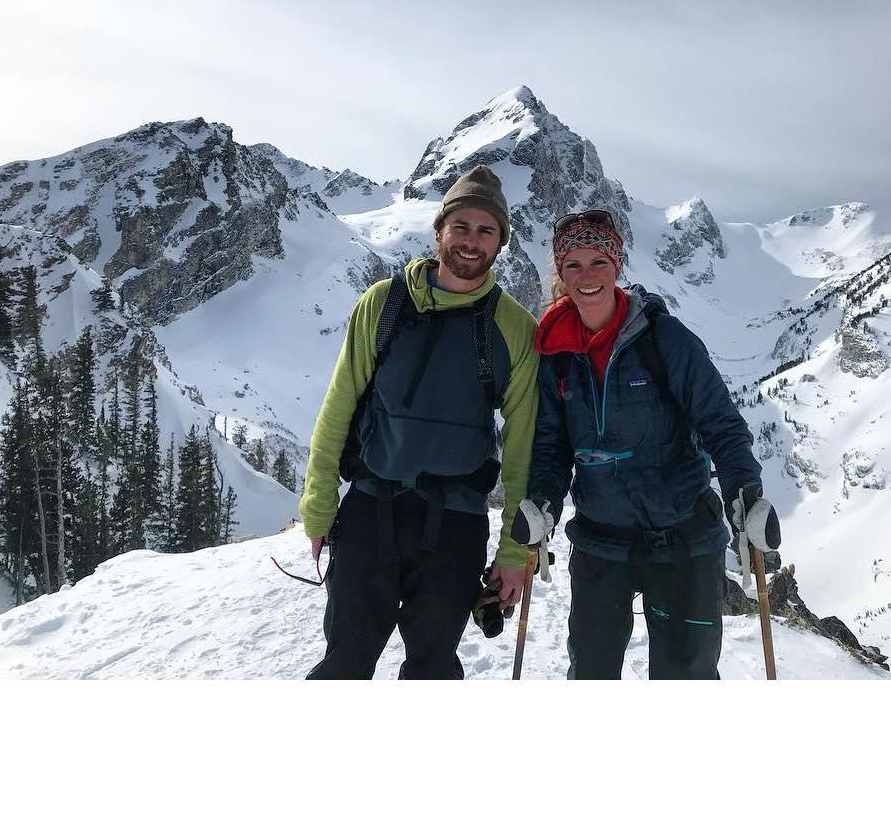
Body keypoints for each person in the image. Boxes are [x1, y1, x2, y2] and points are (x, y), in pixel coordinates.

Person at [512, 209, 780, 679]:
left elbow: (720, 422)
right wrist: (542, 501)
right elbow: (553, 446)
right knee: (592, 672)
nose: (586, 276)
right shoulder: (555, 354)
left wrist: (746, 495)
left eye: (598, 261)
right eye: (573, 265)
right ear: (560, 273)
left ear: (617, 265)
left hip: (684, 537)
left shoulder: (663, 339)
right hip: (601, 537)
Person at [299, 167, 539, 679]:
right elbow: (339, 405)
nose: (471, 241)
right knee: (344, 663)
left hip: (455, 525)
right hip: (370, 511)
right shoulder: (383, 304)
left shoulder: (514, 327)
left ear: (500, 244)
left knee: (432, 669)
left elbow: (522, 448)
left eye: (486, 231)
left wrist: (515, 549)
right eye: (461, 227)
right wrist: (319, 504)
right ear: (439, 232)